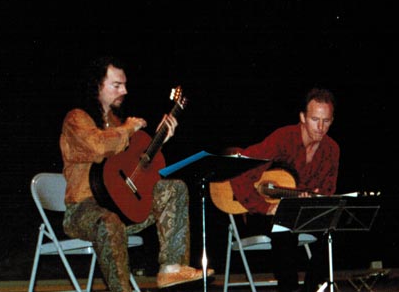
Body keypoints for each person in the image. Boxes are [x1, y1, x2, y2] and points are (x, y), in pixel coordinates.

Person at [59, 56, 212, 292]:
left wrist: (161, 139)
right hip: (84, 210)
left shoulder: (117, 122)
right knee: (109, 222)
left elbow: (135, 170)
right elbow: (98, 147)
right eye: (117, 85)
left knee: (174, 187)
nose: (125, 91)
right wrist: (128, 129)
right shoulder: (76, 119)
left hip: (122, 209)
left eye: (125, 85)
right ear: (96, 85)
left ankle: (171, 268)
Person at [229, 87, 340, 292]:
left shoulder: (331, 149)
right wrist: (264, 207)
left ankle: (311, 288)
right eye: (315, 119)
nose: (321, 127)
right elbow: (240, 168)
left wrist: (315, 201)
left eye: (327, 121)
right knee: (285, 230)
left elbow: (327, 190)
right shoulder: (283, 138)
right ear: (302, 118)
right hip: (260, 212)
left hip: (301, 214)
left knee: (335, 227)